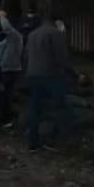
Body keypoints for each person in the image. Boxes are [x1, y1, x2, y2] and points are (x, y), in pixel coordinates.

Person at [25, 14, 75, 152]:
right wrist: (72, 73)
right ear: (57, 21)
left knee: (34, 108)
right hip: (50, 75)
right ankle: (52, 140)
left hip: (33, 75)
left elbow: (27, 55)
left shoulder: (32, 34)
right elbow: (62, 57)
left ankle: (32, 142)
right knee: (60, 107)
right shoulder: (55, 33)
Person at [0, 9, 24, 128]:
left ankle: (6, 119)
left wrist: (2, 16)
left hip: (12, 70)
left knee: (7, 95)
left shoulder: (15, 37)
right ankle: (3, 118)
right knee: (2, 95)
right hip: (2, 70)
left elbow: (7, 28)